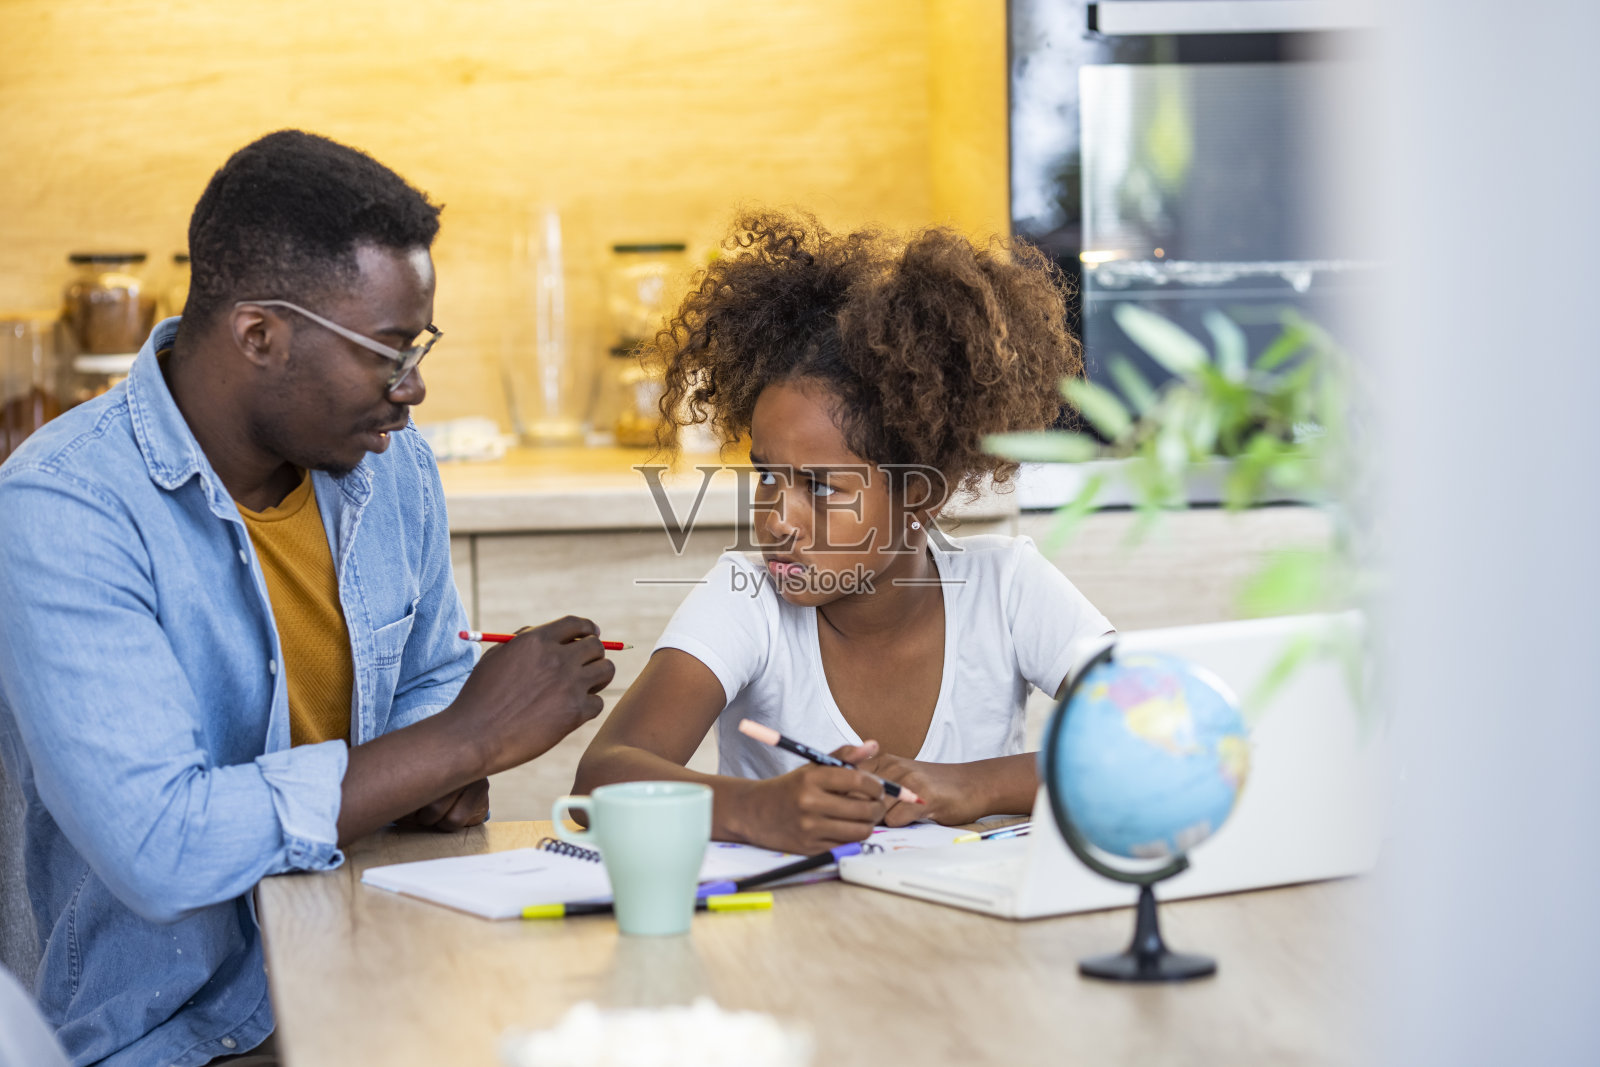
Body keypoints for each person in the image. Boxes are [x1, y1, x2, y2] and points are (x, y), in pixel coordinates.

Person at [0, 131, 615, 1066]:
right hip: (174, 1038)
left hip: (374, 961)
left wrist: (432, 772)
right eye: (389, 351)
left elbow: (427, 678)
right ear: (259, 335)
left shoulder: (386, 459)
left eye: (419, 345)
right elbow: (162, 845)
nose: (413, 388)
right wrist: (464, 740)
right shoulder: (64, 508)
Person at [575, 211, 1111, 856]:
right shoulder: (748, 597)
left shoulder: (1007, 588)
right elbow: (601, 779)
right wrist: (754, 809)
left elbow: (1156, 735)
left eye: (821, 488)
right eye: (767, 477)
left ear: (919, 494)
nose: (775, 518)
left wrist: (975, 786)